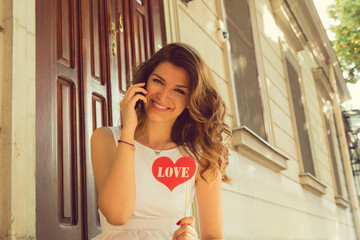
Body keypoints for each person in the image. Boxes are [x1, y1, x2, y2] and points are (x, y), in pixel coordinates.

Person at [90, 42, 231, 240]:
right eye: (158, 81)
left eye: (179, 91)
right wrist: (129, 131)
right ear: (144, 82)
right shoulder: (105, 138)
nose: (163, 96)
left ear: (192, 100)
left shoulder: (203, 154)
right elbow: (117, 215)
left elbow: (213, 236)